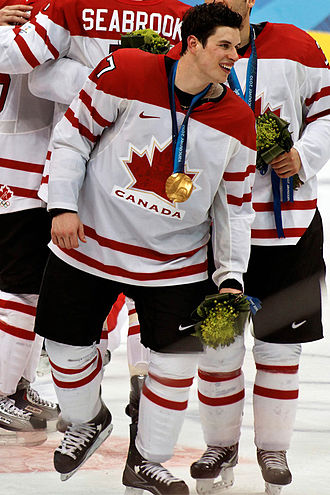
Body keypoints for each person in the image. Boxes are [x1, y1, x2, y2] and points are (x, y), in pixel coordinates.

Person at [33, 2, 255, 490]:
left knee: (174, 365)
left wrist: (231, 275)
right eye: (223, 45)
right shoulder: (125, 70)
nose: (232, 56)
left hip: (176, 263)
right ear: (192, 43)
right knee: (65, 349)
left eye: (237, 47)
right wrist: (61, 206)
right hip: (89, 242)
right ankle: (88, 419)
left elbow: (234, 207)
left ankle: (148, 460)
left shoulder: (239, 119)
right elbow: (72, 139)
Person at [187, 1, 330, 494]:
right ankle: (220, 446)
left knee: (280, 350)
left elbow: (327, 111)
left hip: (287, 231)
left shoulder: (294, 43)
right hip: (217, 231)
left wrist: (301, 156)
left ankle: (273, 448)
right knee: (218, 350)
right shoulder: (194, 42)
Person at [0, 0, 60, 445]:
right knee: (20, 283)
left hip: (35, 161)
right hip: (16, 165)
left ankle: (16, 385)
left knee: (32, 284)